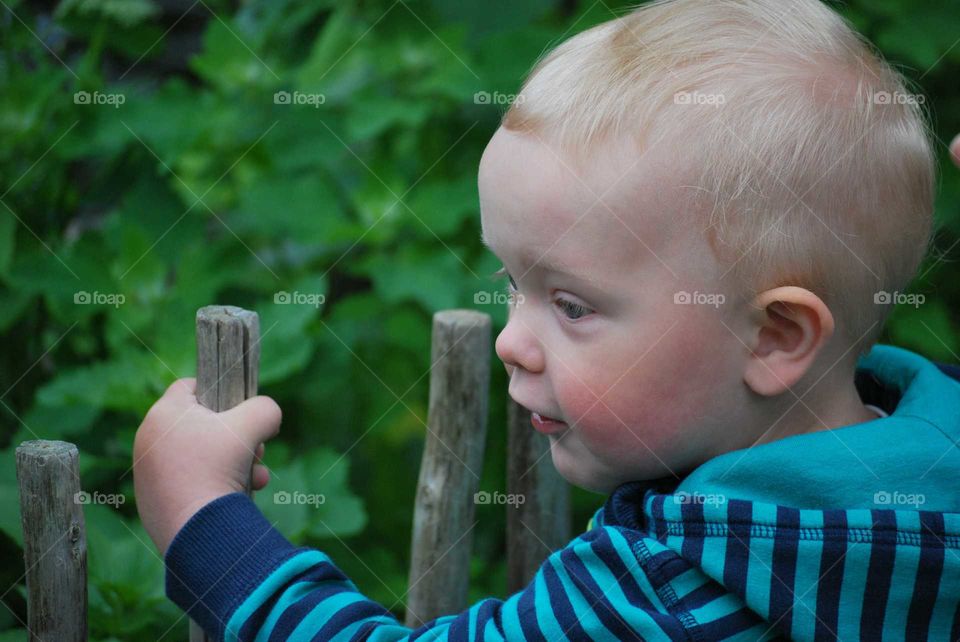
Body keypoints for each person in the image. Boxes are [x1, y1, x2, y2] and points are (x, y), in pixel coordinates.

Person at [133, 0, 960, 639]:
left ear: (775, 337)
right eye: (511, 283)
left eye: (571, 304)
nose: (509, 340)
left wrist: (207, 527)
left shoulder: (683, 582)